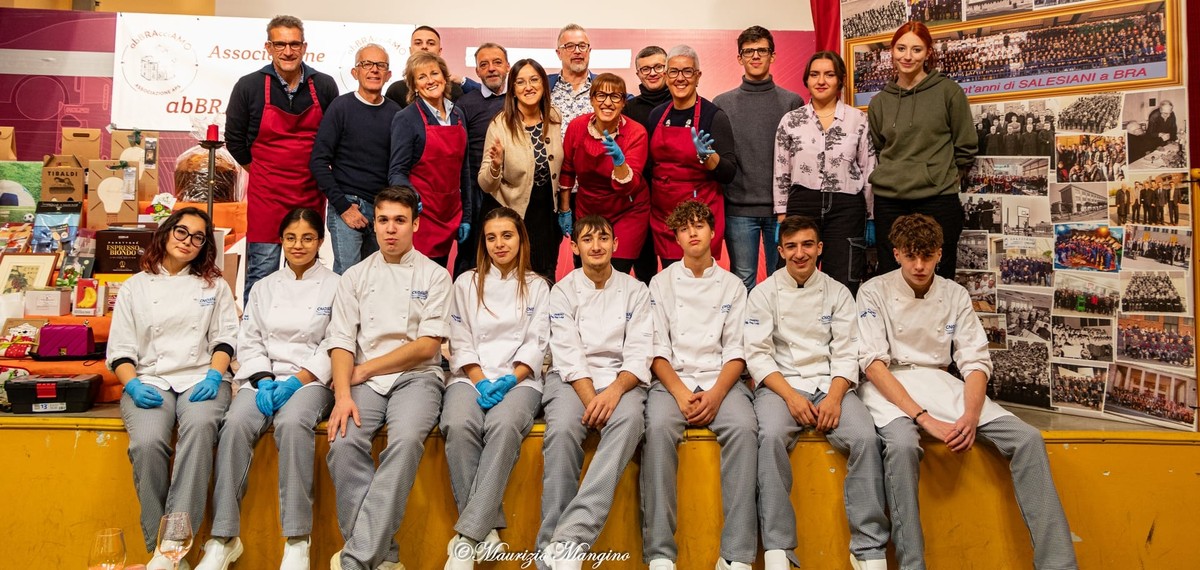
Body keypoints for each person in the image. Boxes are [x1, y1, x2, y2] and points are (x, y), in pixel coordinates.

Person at [856, 213, 1079, 570]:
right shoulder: (873, 291)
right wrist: (922, 418)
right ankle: (912, 564)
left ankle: (1058, 564)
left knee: (1027, 439)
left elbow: (975, 361)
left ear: (939, 254)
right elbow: (873, 365)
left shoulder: (955, 293)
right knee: (901, 447)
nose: (919, 266)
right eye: (911, 256)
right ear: (896, 254)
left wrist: (972, 416)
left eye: (926, 256)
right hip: (891, 387)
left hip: (942, 382)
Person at [198, 208, 339, 570]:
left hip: (311, 380)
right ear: (280, 241)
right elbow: (250, 339)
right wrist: (263, 380)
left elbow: (334, 343)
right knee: (234, 426)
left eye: (307, 238)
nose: (298, 245)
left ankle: (297, 540)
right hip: (263, 377)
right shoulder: (264, 287)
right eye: (291, 238)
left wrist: (296, 381)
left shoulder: (337, 285)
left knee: (292, 424)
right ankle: (223, 538)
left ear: (320, 242)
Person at [746, 215, 888, 570]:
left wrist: (835, 397)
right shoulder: (763, 293)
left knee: (865, 438)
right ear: (780, 251)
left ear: (820, 248)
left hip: (829, 383)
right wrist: (791, 397)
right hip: (781, 386)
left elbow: (846, 351)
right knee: (771, 436)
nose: (800, 253)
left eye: (807, 245)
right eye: (791, 246)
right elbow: (758, 354)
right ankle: (778, 549)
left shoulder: (838, 292)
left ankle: (869, 548)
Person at [325, 186, 452, 570]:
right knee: (343, 443)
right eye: (383, 220)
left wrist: (365, 369)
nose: (391, 229)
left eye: (400, 220)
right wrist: (343, 396)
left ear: (415, 224)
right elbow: (341, 340)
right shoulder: (354, 276)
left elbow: (426, 347)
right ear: (374, 224)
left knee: (406, 441)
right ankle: (384, 557)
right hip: (365, 383)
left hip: (417, 377)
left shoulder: (435, 275)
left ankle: (356, 558)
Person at [106, 207, 239, 568]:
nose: (188, 241)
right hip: (149, 379)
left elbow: (226, 339)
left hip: (202, 377)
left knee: (200, 430)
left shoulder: (214, 286)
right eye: (182, 232)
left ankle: (171, 548)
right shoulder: (135, 287)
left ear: (205, 245)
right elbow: (120, 350)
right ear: (166, 233)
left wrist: (214, 376)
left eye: (198, 237)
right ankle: (165, 553)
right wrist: (132, 385)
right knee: (147, 444)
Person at [641, 200, 755, 570]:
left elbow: (737, 350)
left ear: (713, 232)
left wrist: (717, 394)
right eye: (684, 228)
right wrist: (680, 392)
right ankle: (660, 553)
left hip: (720, 380)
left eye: (699, 225)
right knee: (658, 429)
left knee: (744, 429)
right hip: (673, 380)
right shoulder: (660, 283)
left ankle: (736, 555)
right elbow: (656, 350)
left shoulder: (733, 286)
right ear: (675, 238)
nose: (692, 233)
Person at [537, 215, 653, 570]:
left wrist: (614, 391)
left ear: (615, 244)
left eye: (603, 238)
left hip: (621, 379)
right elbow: (568, 352)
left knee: (630, 422)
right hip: (572, 379)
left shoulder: (636, 290)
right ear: (574, 247)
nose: (596, 246)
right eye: (587, 239)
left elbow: (640, 350)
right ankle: (549, 550)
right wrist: (593, 401)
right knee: (561, 431)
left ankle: (569, 539)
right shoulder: (562, 291)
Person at [442, 208, 550, 569]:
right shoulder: (466, 283)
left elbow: (537, 341)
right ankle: (485, 531)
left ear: (521, 239)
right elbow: (459, 337)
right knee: (457, 424)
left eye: (507, 235)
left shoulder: (538, 286)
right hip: (470, 376)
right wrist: (480, 379)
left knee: (503, 426)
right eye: (491, 237)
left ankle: (467, 537)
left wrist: (509, 379)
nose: (499, 244)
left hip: (520, 379)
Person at [225, 15, 339, 297]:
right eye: (280, 44)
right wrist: (262, 170)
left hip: (309, 191)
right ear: (268, 47)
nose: (288, 51)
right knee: (261, 272)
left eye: (294, 44)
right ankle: (254, 326)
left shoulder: (324, 85)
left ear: (304, 47)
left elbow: (334, 139)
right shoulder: (249, 86)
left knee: (305, 272)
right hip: (267, 195)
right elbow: (235, 141)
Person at [867, 21, 977, 279]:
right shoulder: (879, 102)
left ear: (928, 53)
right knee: (891, 275)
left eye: (916, 49)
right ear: (892, 51)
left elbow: (965, 146)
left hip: (937, 198)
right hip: (889, 200)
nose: (907, 56)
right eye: (901, 48)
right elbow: (881, 148)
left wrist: (940, 177)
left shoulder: (949, 92)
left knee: (939, 274)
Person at [773, 50, 875, 295]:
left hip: (846, 208)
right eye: (814, 74)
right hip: (802, 203)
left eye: (829, 74)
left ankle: (839, 322)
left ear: (840, 79)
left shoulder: (858, 120)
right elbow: (781, 169)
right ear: (806, 79)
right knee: (795, 281)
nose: (821, 81)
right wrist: (781, 216)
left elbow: (869, 170)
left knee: (844, 281)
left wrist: (871, 217)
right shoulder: (791, 120)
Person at [714, 26, 802, 290]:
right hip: (739, 209)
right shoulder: (722, 104)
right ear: (739, 57)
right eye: (748, 51)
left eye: (761, 50)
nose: (755, 56)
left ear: (772, 56)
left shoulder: (792, 102)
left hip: (782, 211)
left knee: (783, 281)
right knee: (743, 281)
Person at [310, 44, 401, 274]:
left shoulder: (396, 113)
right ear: (355, 72)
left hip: (383, 209)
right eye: (366, 64)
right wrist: (343, 207)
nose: (374, 70)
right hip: (349, 204)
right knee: (348, 277)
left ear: (389, 74)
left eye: (380, 65)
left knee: (376, 278)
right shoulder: (340, 107)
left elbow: (399, 165)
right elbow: (318, 161)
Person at [647, 45, 738, 266]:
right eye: (674, 72)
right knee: (670, 275)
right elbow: (649, 166)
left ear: (698, 76)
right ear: (666, 77)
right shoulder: (656, 115)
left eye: (687, 71)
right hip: (664, 214)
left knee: (700, 276)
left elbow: (729, 172)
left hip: (700, 215)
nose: (680, 78)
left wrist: (709, 158)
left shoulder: (713, 116)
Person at [479, 59, 565, 282]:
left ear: (544, 84)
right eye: (520, 82)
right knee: (510, 280)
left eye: (534, 80)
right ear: (513, 90)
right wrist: (495, 166)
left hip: (546, 215)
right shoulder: (500, 124)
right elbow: (485, 184)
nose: (528, 87)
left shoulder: (554, 117)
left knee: (544, 278)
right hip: (511, 214)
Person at [389, 51, 473, 268]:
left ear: (444, 77)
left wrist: (466, 216)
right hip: (422, 216)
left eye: (434, 73)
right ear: (414, 86)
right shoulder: (406, 118)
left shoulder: (458, 115)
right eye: (422, 77)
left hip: (451, 212)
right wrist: (413, 196)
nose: (430, 81)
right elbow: (396, 172)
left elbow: (464, 170)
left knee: (440, 278)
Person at [560, 73, 650, 274]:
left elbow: (629, 187)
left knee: (617, 272)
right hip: (588, 207)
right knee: (587, 270)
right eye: (601, 95)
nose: (607, 103)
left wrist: (620, 163)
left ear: (623, 103)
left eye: (615, 97)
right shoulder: (577, 126)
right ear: (592, 99)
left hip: (627, 209)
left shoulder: (637, 133)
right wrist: (565, 210)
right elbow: (567, 169)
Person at [453, 43, 511, 279]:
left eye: (497, 62)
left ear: (507, 67)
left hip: (512, 192)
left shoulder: (519, 99)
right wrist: (466, 211)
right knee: (471, 259)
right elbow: (461, 157)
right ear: (477, 71)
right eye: (484, 65)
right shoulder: (465, 104)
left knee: (509, 259)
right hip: (477, 192)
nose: (491, 69)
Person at [624, 45, 671, 285]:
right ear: (638, 74)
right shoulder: (628, 110)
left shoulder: (684, 103)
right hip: (638, 202)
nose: (652, 73)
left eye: (658, 67)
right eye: (645, 69)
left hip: (674, 200)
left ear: (668, 68)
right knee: (644, 271)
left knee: (677, 269)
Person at [384, 26, 480, 108]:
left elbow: (486, 95)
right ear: (410, 50)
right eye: (418, 43)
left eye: (431, 43)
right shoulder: (395, 91)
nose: (424, 47)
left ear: (439, 51)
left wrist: (463, 81)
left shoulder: (454, 90)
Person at [548, 24, 597, 133]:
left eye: (582, 46)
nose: (577, 51)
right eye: (570, 46)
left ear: (589, 51)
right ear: (559, 53)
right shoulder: (543, 86)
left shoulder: (603, 86)